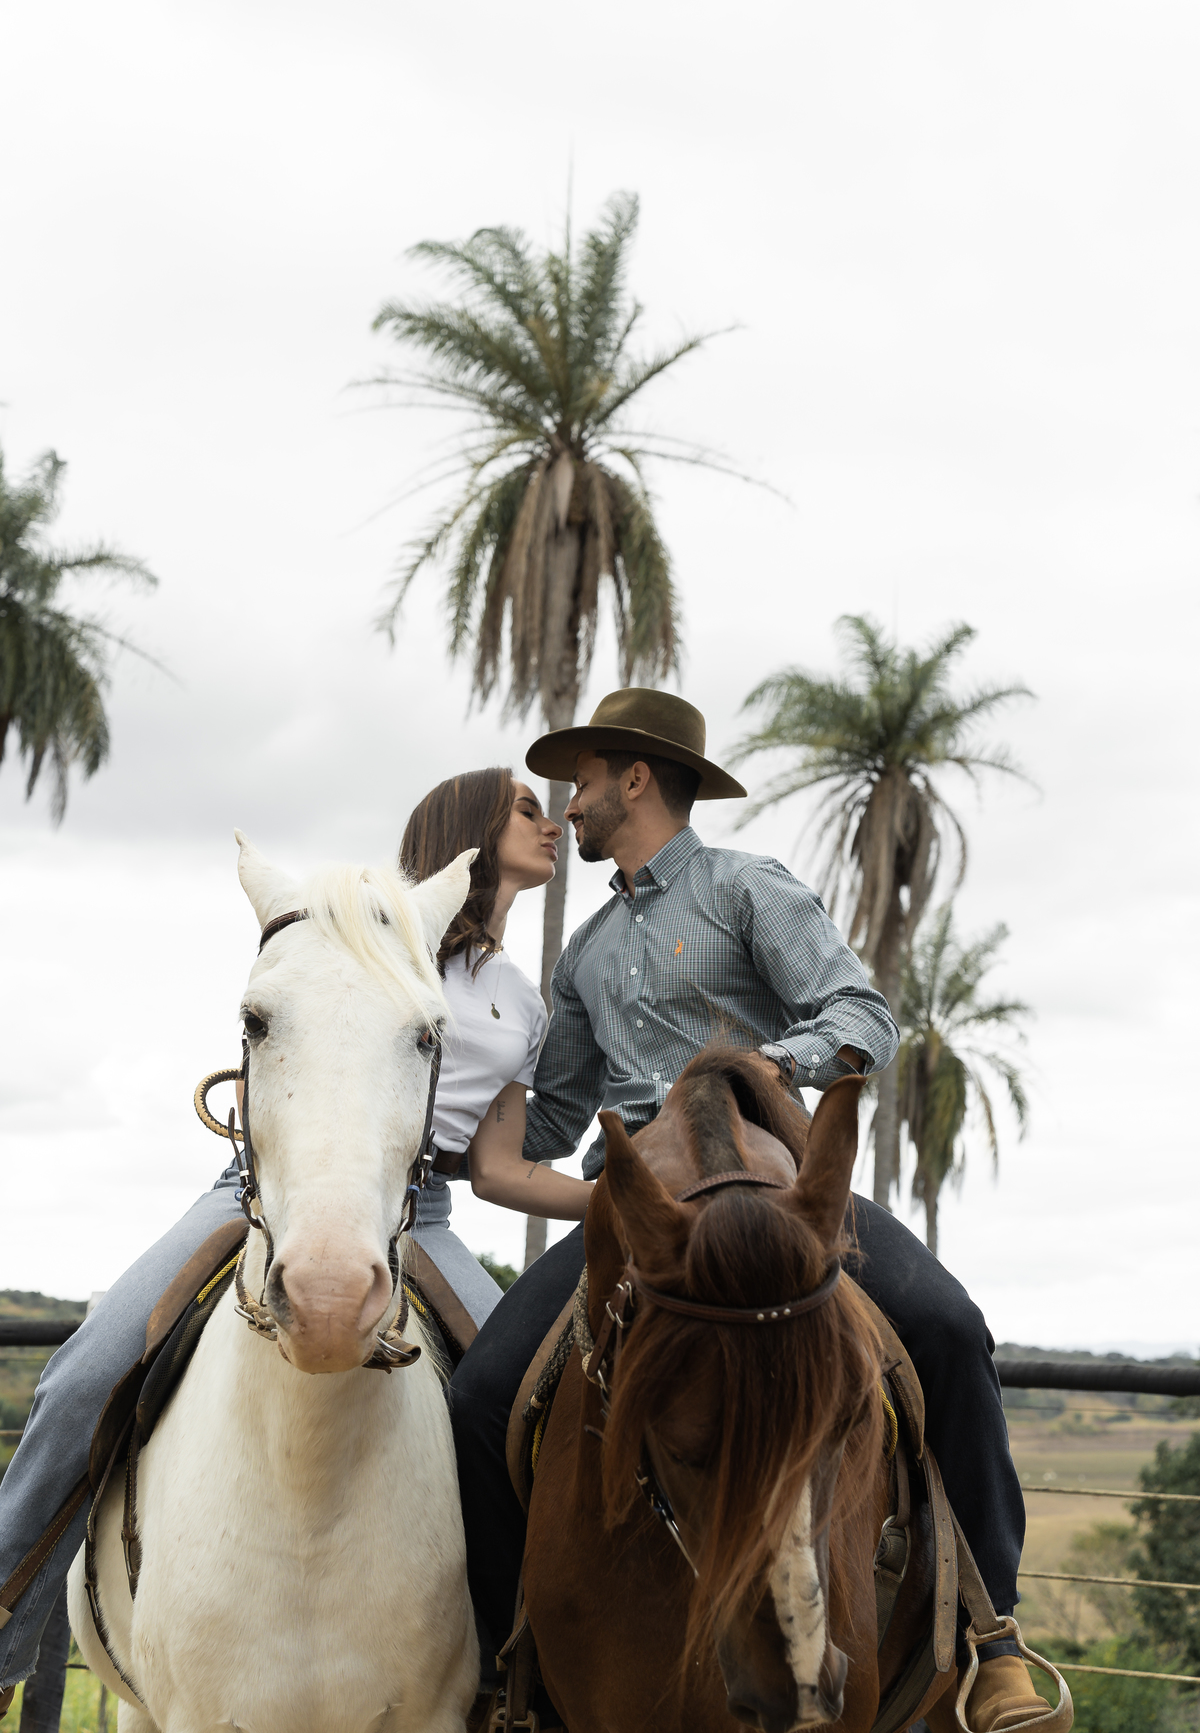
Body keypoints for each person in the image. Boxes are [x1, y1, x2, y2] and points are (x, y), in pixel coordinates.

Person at [450, 688, 1048, 1733]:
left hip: (778, 1195)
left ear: (635, 779)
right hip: (641, 1222)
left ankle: (995, 1641)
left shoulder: (746, 891)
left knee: (950, 1332)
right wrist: (428, 1104)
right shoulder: (585, 952)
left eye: (579, 781)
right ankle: (509, 1679)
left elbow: (864, 1014)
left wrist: (776, 1062)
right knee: (482, 1401)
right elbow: (550, 1123)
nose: (569, 803)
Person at [0, 768, 579, 1713]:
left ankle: (531, 1671)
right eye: (525, 807)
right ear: (471, 831)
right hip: (261, 1191)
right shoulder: (354, 938)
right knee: (84, 1370)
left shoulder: (522, 999)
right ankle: (1, 1631)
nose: (551, 824)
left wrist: (616, 1200)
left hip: (423, 1213)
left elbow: (500, 1168)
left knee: (539, 1409)